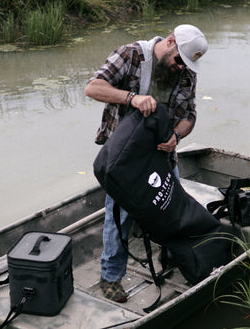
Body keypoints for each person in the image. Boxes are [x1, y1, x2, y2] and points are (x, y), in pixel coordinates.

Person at [84, 24, 208, 302]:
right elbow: (92, 88)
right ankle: (111, 276)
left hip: (163, 154)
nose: (180, 67)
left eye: (186, 64)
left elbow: (189, 115)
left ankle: (173, 255)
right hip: (125, 161)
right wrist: (132, 98)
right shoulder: (130, 55)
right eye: (179, 60)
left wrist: (177, 135)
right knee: (120, 217)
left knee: (174, 207)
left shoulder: (186, 71)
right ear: (171, 42)